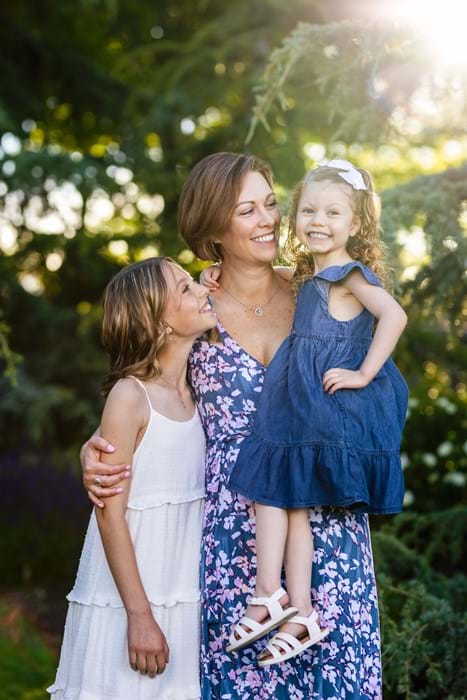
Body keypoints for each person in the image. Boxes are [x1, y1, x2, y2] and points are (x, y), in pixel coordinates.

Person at [81, 153, 383, 699]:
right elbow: (149, 392)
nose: (268, 220)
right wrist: (97, 449)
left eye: (271, 203)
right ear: (213, 230)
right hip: (236, 541)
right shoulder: (192, 308)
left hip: (327, 523)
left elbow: (371, 383)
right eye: (247, 210)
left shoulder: (323, 292)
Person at [221, 159, 408, 665]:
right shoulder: (312, 274)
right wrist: (214, 273)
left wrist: (364, 372)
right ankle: (300, 611)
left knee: (269, 488)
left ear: (357, 223)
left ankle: (268, 592)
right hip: (299, 405)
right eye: (308, 210)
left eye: (332, 212)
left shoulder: (349, 274)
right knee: (292, 505)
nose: (317, 221)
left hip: (318, 409)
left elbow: (394, 315)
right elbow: (278, 278)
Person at [48, 257, 217, 699]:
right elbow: (110, 514)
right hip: (131, 593)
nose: (202, 290)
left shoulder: (202, 386)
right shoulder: (130, 396)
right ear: (158, 322)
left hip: (184, 587)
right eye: (185, 288)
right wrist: (139, 616)